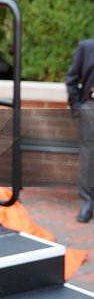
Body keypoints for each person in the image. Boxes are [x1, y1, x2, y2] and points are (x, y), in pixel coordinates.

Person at [65, 39, 94, 222]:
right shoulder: (87, 47)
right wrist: (78, 107)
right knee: (88, 156)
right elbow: (72, 79)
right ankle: (86, 204)